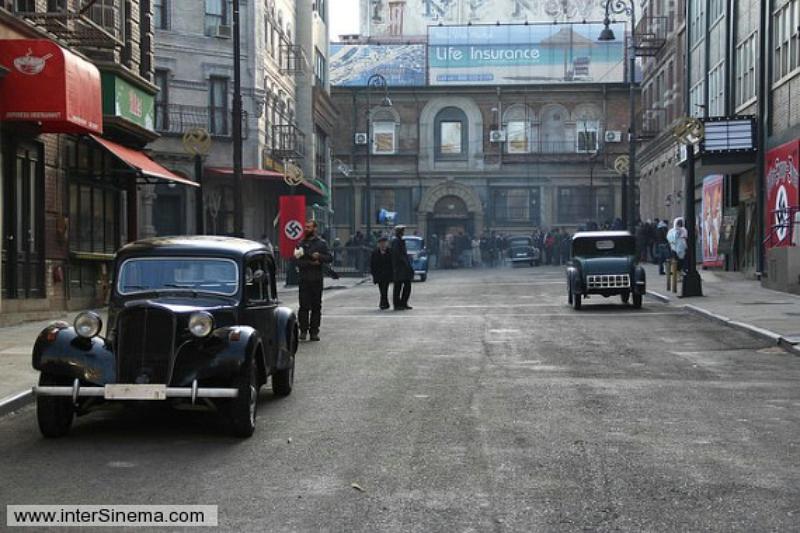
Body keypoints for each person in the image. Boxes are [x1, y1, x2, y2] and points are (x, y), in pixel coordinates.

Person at [295, 220, 332, 341]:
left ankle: (314, 331)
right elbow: (296, 260)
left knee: (316, 306)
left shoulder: (322, 243)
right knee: (303, 306)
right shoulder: (300, 243)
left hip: (316, 279)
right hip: (304, 279)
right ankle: (303, 330)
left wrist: (319, 257)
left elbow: (329, 257)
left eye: (309, 227)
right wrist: (310, 263)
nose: (307, 229)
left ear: (315, 228)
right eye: (305, 227)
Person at [391, 225, 414, 310]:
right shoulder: (396, 241)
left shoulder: (400, 241)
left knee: (407, 285)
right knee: (398, 286)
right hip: (400, 267)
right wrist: (404, 262)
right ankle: (397, 304)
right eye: (402, 230)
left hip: (404, 267)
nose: (403, 232)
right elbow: (397, 254)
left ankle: (403, 303)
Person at [370, 236, 393, 310]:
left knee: (385, 288)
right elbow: (372, 264)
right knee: (381, 288)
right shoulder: (375, 252)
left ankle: (383, 303)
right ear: (379, 244)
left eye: (384, 243)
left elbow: (392, 263)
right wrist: (373, 273)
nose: (383, 245)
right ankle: (384, 303)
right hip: (379, 274)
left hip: (387, 274)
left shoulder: (390, 251)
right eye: (381, 243)